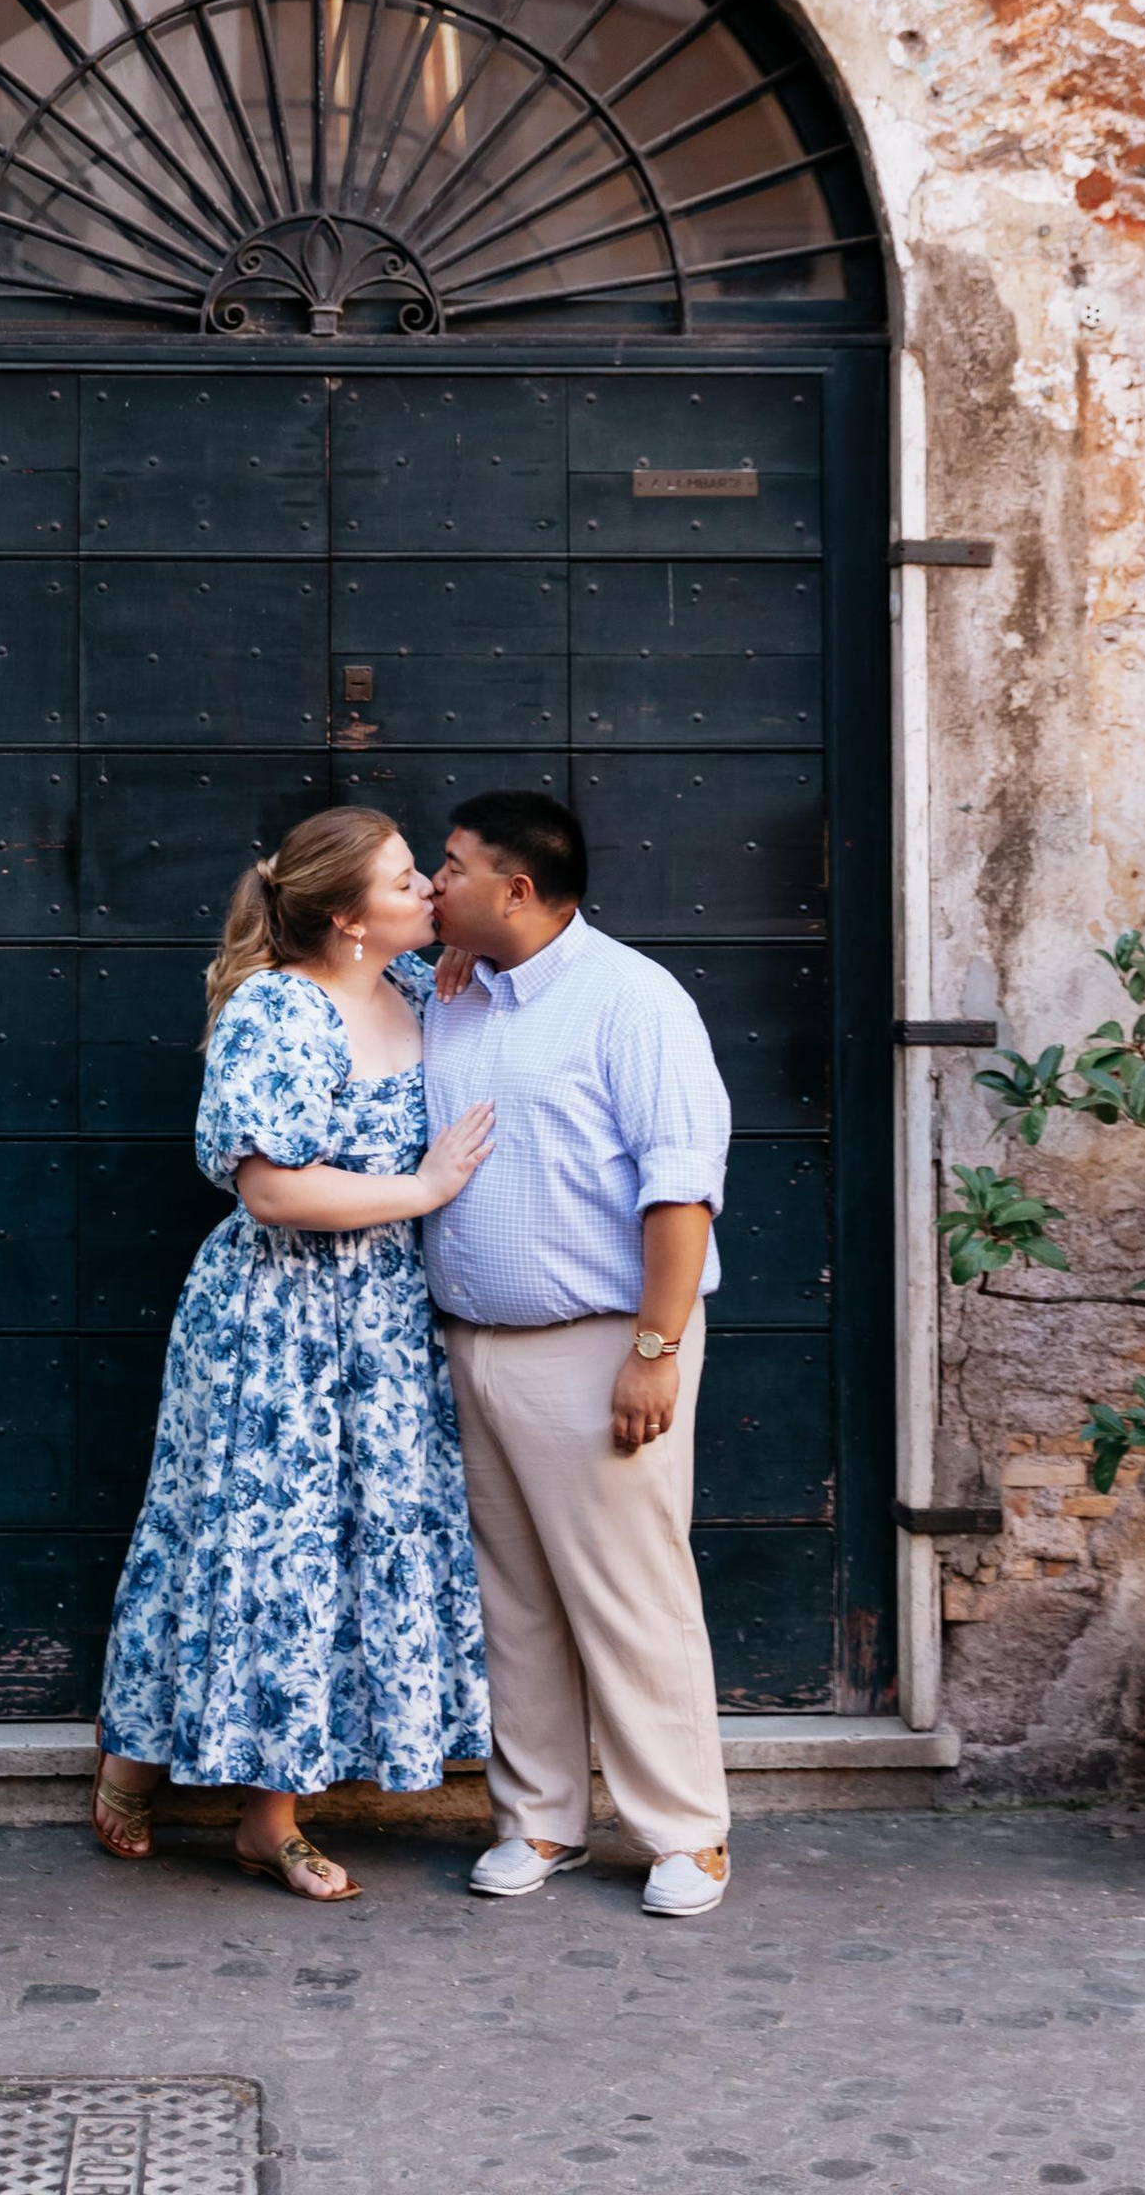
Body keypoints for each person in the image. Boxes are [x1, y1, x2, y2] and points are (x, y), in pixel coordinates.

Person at [91, 807, 496, 1904]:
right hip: (274, 1323)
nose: (429, 891)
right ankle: (137, 1766)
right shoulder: (279, 1009)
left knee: (344, 1553)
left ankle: (264, 1819)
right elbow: (269, 1187)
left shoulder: (416, 992)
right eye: (407, 880)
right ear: (346, 918)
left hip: (384, 1323)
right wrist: (420, 1191)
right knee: (253, 1544)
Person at [424, 789, 736, 1921]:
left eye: (449, 866)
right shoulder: (450, 996)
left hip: (604, 1343)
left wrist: (654, 1351)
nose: (428, 882)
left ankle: (684, 1835)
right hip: (476, 1345)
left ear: (516, 887)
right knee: (515, 1600)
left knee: (630, 1593)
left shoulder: (633, 1001)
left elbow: (680, 1190)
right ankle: (540, 1818)